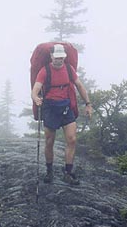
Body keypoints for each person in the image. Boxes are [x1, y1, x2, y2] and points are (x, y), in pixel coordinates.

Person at [31, 44, 92, 185]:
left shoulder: (69, 69)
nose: (59, 60)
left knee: (72, 140)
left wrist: (88, 104)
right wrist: (36, 98)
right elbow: (36, 89)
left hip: (65, 106)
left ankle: (68, 172)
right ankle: (49, 171)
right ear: (51, 56)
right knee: (49, 141)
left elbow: (80, 86)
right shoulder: (44, 71)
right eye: (57, 57)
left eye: (61, 57)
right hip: (50, 108)